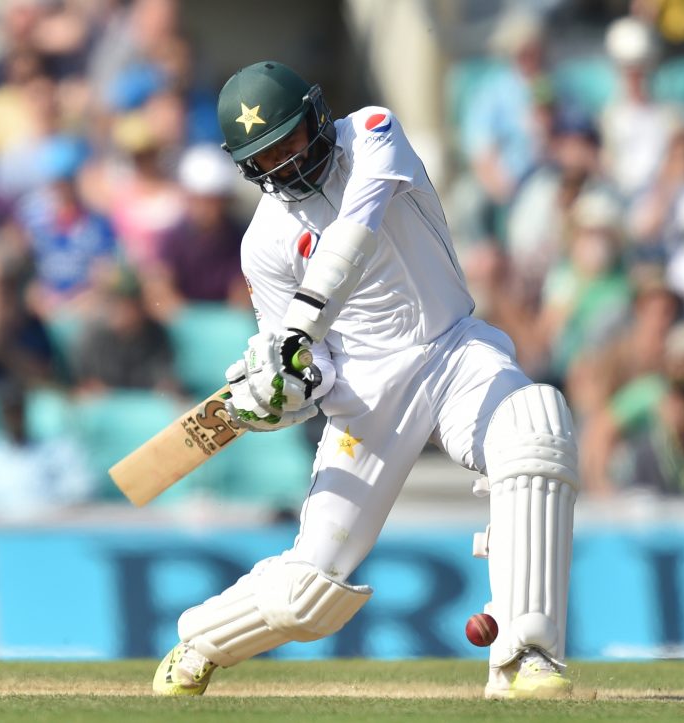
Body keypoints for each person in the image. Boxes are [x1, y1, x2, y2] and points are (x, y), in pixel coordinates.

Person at [151, 60, 580, 700]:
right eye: (264, 159)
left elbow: (355, 230)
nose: (285, 167)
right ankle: (200, 640)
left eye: (291, 144)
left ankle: (526, 655)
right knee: (309, 591)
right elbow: (308, 366)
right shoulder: (262, 243)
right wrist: (285, 391)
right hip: (366, 399)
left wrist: (296, 335)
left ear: (318, 119)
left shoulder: (374, 132)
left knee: (534, 427)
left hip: (454, 349)